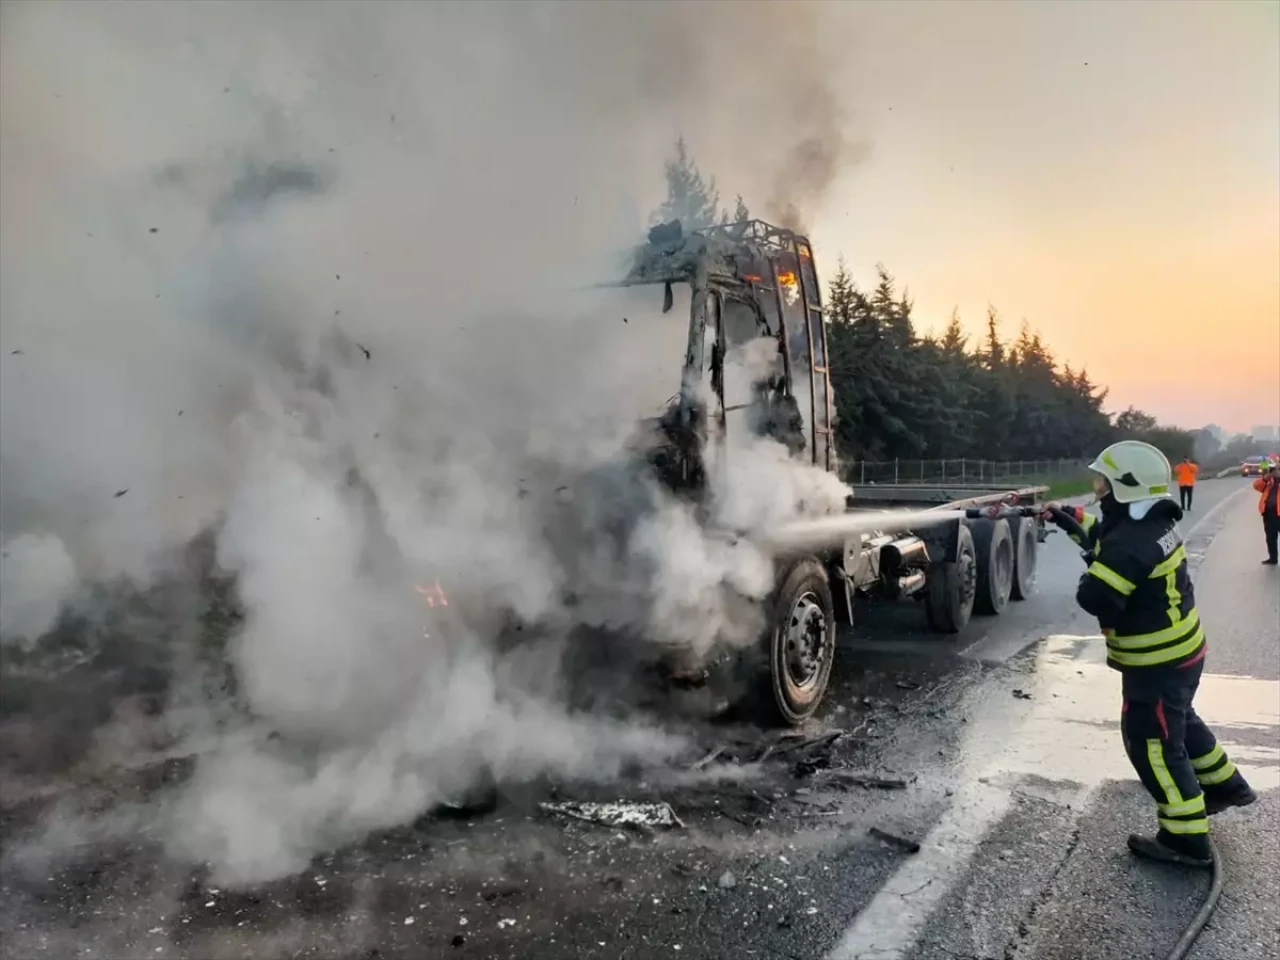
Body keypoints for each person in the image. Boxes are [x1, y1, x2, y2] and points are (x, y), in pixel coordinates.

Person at [1043, 440, 1255, 868]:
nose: (1096, 489)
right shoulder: (1155, 520)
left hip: (1156, 663)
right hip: (1182, 653)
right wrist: (1074, 521)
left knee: (1152, 743)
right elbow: (1113, 537)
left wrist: (1091, 560)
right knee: (1180, 721)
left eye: (1102, 483)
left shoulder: (1129, 544)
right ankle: (1226, 785)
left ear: (1125, 487)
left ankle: (1185, 838)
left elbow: (1097, 594)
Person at [1254, 459, 1280, 565]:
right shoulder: (1269, 481)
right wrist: (1266, 478)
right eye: (1274, 470)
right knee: (1270, 538)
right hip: (1269, 514)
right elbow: (1256, 486)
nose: (1275, 472)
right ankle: (1273, 559)